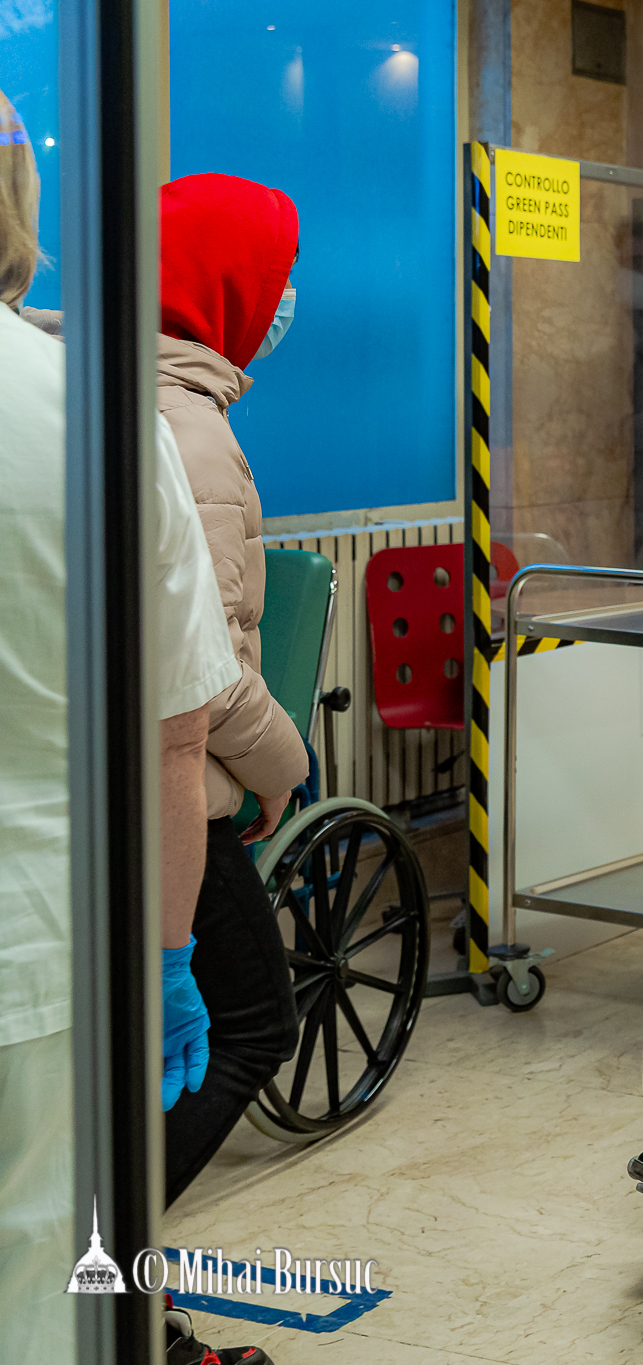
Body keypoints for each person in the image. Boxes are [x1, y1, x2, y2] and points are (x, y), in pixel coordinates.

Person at [0, 88, 261, 1365]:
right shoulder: (91, 419)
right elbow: (174, 735)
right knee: (38, 1277)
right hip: (40, 950)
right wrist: (165, 963)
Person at [153, 172, 307, 1208]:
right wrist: (285, 763)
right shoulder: (191, 431)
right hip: (179, 798)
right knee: (254, 1024)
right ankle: (102, 1262)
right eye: (277, 276)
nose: (284, 301)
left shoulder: (94, 387)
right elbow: (200, 674)